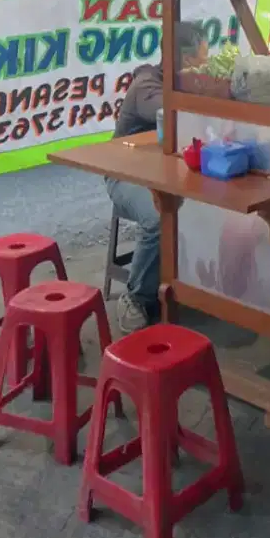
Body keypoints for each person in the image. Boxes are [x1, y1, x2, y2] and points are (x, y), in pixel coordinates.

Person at [106, 22, 208, 333]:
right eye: (204, 57)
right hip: (126, 177)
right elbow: (170, 112)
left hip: (170, 172)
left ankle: (191, 283)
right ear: (187, 60)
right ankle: (136, 298)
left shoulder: (185, 82)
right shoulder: (148, 87)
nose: (208, 62)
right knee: (157, 215)